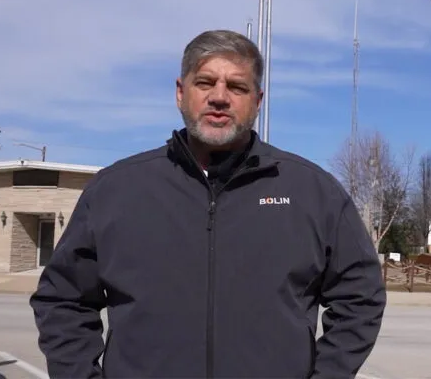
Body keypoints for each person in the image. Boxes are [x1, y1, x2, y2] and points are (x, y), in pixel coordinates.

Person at [29, 29, 387, 379]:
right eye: (205, 82)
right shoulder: (115, 191)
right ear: (181, 93)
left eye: (236, 86)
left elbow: (361, 297)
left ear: (257, 101)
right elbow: (63, 301)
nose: (219, 97)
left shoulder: (313, 192)